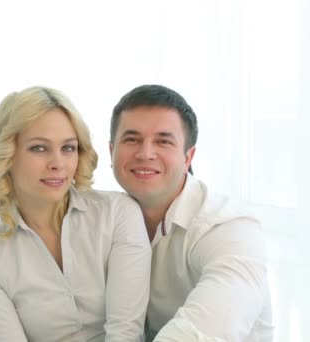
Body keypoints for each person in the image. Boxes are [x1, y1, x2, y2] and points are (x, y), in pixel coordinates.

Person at [0, 86, 152, 342]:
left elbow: (125, 332)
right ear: (7, 154)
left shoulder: (118, 214)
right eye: (39, 148)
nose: (58, 163)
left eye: (68, 148)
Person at [109, 84, 274, 341]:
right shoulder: (104, 218)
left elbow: (200, 333)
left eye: (163, 141)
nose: (145, 153)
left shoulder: (230, 226)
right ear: (111, 151)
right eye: (132, 139)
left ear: (188, 157)